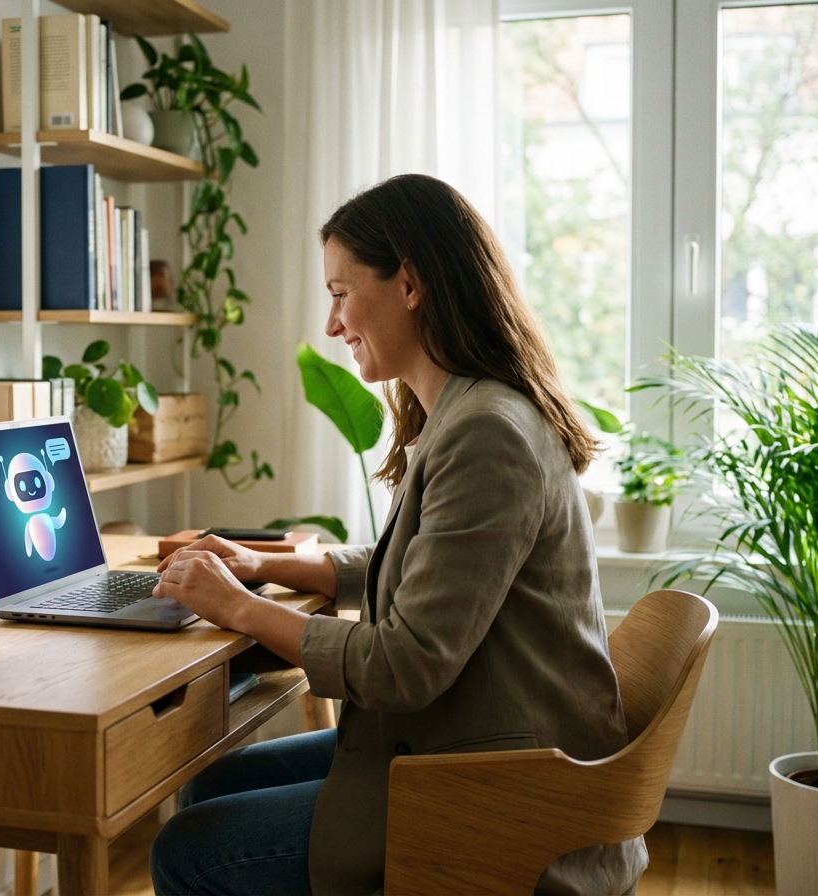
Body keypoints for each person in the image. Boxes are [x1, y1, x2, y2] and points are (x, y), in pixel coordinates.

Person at [149, 174, 648, 896]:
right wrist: (266, 564)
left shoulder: (486, 433)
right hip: (475, 740)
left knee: (185, 849)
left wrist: (238, 606)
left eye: (342, 293)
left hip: (499, 789)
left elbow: (406, 663)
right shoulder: (470, 409)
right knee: (212, 788)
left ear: (409, 283)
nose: (332, 323)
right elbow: (425, 567)